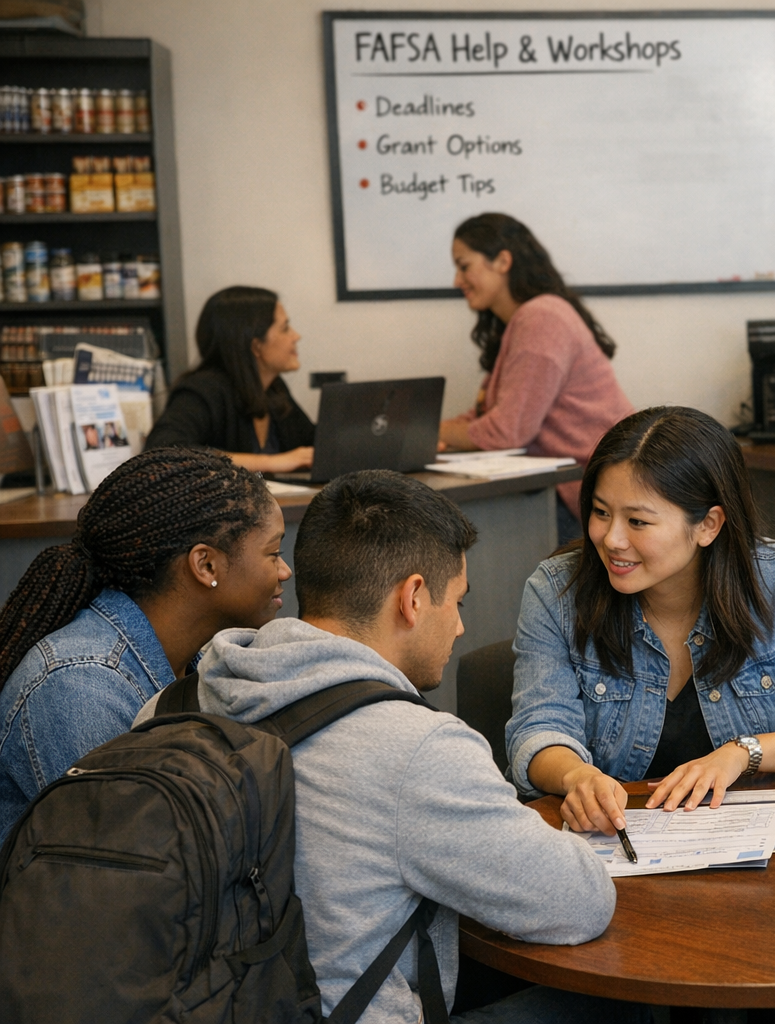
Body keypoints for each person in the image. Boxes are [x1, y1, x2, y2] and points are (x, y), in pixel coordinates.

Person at [134, 470, 640, 1024]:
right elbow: (580, 904)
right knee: (619, 1012)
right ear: (414, 598)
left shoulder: (171, 704)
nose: (460, 630)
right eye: (459, 604)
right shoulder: (416, 748)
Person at [506, 406, 775, 833]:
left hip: (757, 848)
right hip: (616, 846)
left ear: (708, 525)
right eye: (601, 512)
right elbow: (537, 731)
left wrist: (743, 753)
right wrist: (576, 776)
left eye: (637, 521)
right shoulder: (557, 590)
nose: (611, 539)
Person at [0, 447, 289, 837]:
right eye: (273, 552)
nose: (285, 571)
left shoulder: (200, 655)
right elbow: (129, 864)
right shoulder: (79, 687)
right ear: (205, 565)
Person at [439, 214, 636, 544]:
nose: (457, 280)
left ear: (502, 261)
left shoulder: (541, 316)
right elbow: (485, 416)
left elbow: (507, 432)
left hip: (593, 492)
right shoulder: (522, 321)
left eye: (464, 266)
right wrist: (427, 435)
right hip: (578, 487)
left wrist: (430, 432)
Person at [146, 286, 316, 473]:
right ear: (256, 346)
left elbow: (314, 444)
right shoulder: (204, 390)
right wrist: (270, 462)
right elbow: (163, 453)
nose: (296, 336)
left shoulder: (274, 388)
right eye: (285, 328)